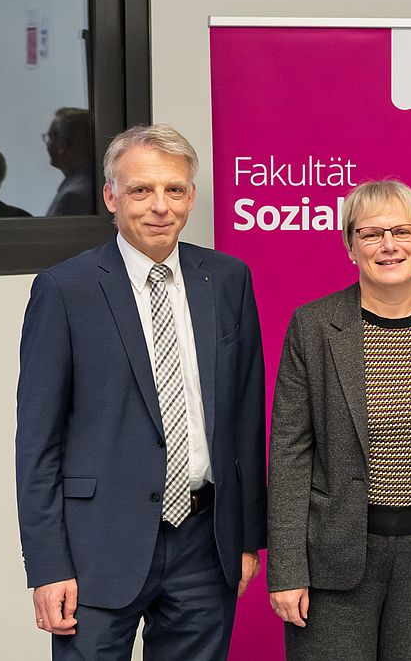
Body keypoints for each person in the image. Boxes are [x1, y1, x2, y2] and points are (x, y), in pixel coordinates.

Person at [15, 124, 267, 660]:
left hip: (206, 541)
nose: (160, 206)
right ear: (110, 196)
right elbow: (37, 443)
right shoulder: (65, 290)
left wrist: (247, 536)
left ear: (192, 196)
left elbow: (246, 418)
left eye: (174, 190)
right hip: (96, 546)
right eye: (140, 190)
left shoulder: (227, 279)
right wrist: (48, 564)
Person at [267, 180, 411, 660]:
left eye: (402, 231)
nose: (389, 245)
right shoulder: (313, 326)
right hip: (335, 555)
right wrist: (287, 568)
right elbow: (288, 455)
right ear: (350, 246)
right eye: (371, 234)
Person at [44, 107, 95, 216]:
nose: (47, 144)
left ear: (62, 145)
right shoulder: (93, 182)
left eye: (49, 138)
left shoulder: (73, 197)